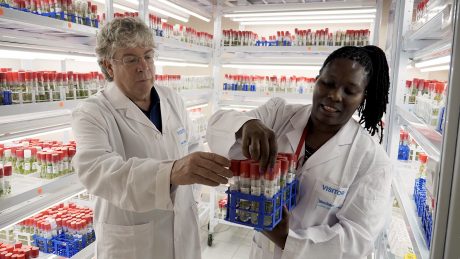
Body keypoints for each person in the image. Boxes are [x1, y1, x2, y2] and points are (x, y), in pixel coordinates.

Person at [206, 45, 393, 259]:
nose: (334, 95)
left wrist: (287, 239)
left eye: (349, 91)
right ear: (316, 80)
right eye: (328, 83)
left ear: (363, 97)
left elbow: (357, 240)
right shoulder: (279, 114)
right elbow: (216, 125)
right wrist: (246, 125)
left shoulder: (372, 160)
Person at [72, 17, 232, 259]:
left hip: (183, 226)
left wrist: (191, 193)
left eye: (148, 55)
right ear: (108, 65)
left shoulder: (171, 99)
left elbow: (192, 144)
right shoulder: (93, 112)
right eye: (131, 59)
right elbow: (97, 171)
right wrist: (171, 173)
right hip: (133, 241)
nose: (143, 66)